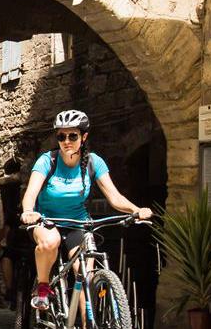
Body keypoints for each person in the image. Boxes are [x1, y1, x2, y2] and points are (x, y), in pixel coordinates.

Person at [19, 110, 152, 314]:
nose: (67, 141)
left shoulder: (93, 162)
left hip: (78, 223)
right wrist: (29, 211)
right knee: (50, 242)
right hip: (47, 220)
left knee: (85, 277)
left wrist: (136, 210)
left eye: (73, 136)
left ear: (84, 136)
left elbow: (114, 197)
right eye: (61, 136)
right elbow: (30, 193)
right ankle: (43, 287)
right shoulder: (48, 161)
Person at [0, 157, 28, 304]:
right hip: (28, 228)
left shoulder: (5, 188)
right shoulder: (25, 185)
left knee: (7, 256)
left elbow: (7, 218)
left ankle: (9, 289)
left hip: (14, 229)